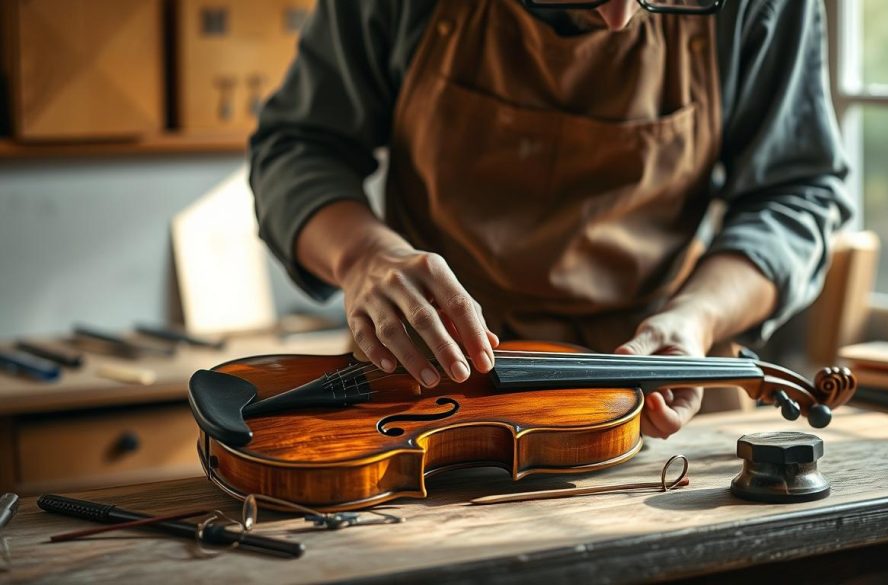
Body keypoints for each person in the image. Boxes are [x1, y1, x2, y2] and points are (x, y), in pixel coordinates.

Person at [249, 0, 853, 439]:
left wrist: (698, 317)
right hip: (420, 393)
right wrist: (363, 257)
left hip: (652, 398)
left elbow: (795, 195)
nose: (619, 17)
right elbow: (298, 147)